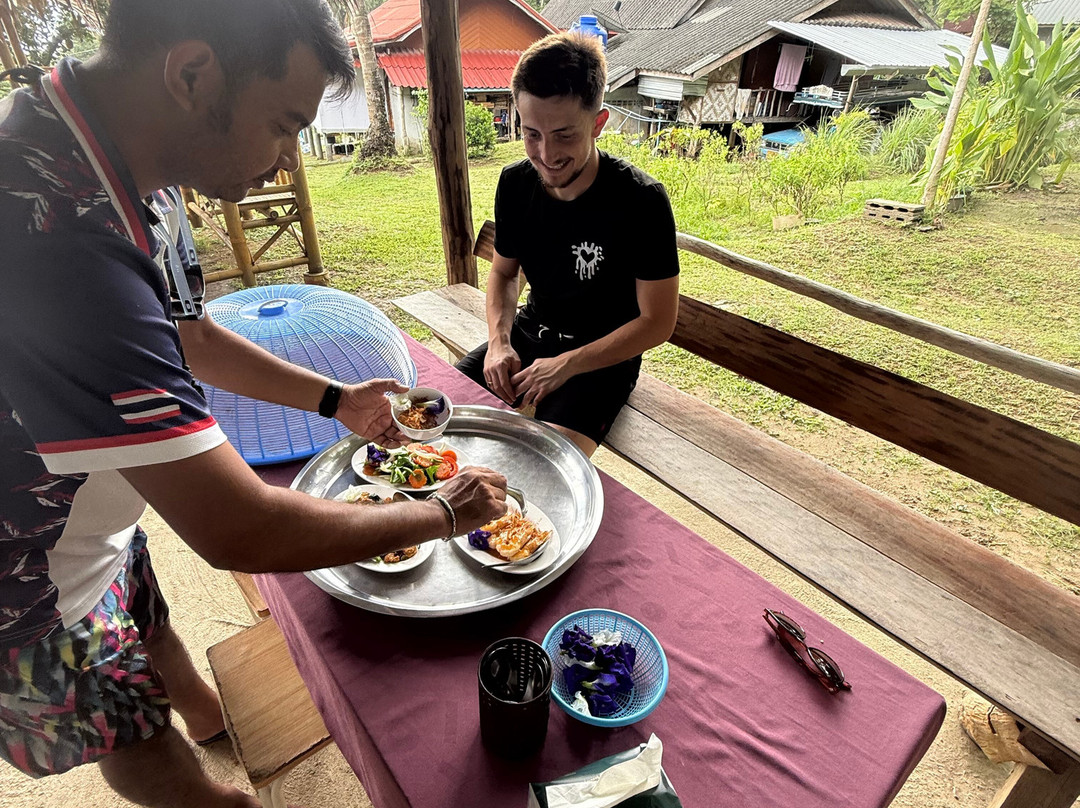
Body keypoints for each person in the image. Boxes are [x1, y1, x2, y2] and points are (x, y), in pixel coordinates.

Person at [0, 2, 506, 806]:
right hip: (23, 569)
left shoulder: (128, 163)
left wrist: (334, 397)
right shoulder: (51, 233)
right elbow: (238, 527)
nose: (283, 161)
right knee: (129, 732)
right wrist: (441, 516)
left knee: (149, 624)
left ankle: (210, 718)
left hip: (93, 506)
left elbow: (189, 334)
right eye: (283, 123)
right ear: (193, 73)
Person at [455, 33, 680, 457]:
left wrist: (566, 364)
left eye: (564, 135)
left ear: (598, 124)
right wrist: (500, 341)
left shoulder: (641, 200)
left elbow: (658, 322)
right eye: (532, 133)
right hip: (529, 334)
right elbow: (504, 272)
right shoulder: (516, 183)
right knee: (438, 419)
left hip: (601, 359)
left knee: (545, 464)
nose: (545, 154)